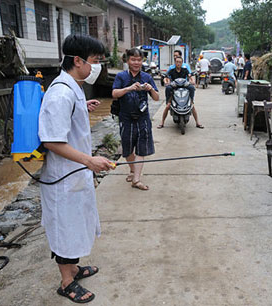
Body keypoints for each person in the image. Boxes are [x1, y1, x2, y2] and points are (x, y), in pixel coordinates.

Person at [38, 34, 114, 303]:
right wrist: (89, 161)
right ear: (78, 60)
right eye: (95, 61)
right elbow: (51, 140)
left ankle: (73, 268)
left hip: (75, 173)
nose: (97, 67)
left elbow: (68, 122)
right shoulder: (60, 94)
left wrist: (83, 106)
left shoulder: (73, 88)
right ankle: (66, 281)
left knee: (77, 222)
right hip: (63, 177)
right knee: (65, 227)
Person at [112, 48, 159, 190]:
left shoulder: (147, 77)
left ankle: (136, 179)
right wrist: (129, 88)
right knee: (127, 149)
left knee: (141, 149)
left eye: (139, 60)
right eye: (133, 59)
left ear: (142, 61)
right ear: (127, 61)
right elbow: (114, 93)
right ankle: (132, 170)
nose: (136, 62)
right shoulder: (121, 76)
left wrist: (150, 89)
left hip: (143, 118)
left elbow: (156, 98)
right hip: (125, 118)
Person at [157, 56, 204, 129]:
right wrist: (166, 82)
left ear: (182, 63)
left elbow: (190, 76)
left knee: (191, 91)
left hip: (184, 86)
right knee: (168, 100)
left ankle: (197, 122)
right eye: (177, 62)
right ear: (175, 62)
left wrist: (192, 81)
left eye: (180, 62)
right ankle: (162, 122)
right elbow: (166, 77)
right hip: (174, 86)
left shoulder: (185, 70)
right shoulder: (171, 70)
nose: (178, 63)